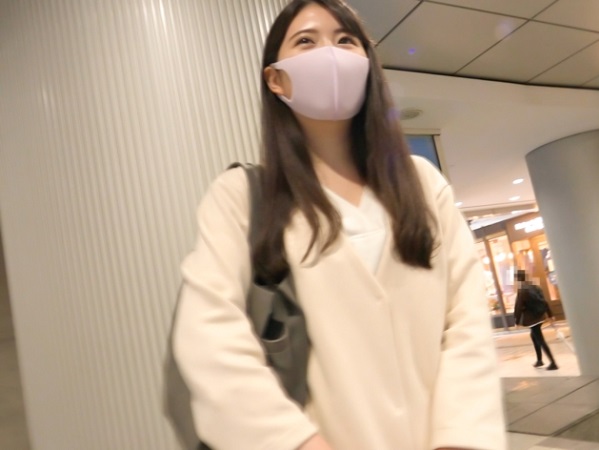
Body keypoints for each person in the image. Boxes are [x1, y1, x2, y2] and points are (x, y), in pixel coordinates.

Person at [171, 0, 506, 449]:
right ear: (275, 78)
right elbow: (210, 335)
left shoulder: (423, 184)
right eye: (306, 41)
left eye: (345, 40)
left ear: (367, 65)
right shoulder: (242, 197)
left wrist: (458, 440)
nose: (329, 53)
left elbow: (467, 324)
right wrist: (296, 442)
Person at [513, 269, 558, 371]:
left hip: (532, 320)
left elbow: (518, 306)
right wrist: (550, 315)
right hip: (540, 316)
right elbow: (544, 301)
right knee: (533, 336)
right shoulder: (535, 286)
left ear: (517, 279)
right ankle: (539, 360)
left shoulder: (522, 290)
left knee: (540, 340)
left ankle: (553, 363)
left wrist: (516, 321)